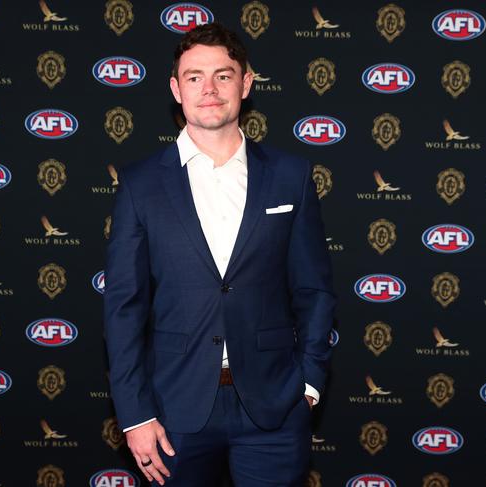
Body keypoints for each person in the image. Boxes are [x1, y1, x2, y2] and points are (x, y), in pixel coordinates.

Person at [104, 22, 336, 487]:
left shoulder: (291, 175)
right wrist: (134, 415)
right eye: (194, 77)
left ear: (246, 83)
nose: (208, 89)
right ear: (176, 89)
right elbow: (123, 308)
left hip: (273, 407)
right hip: (174, 411)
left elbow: (314, 290)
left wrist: (307, 386)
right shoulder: (140, 184)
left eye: (223, 75)